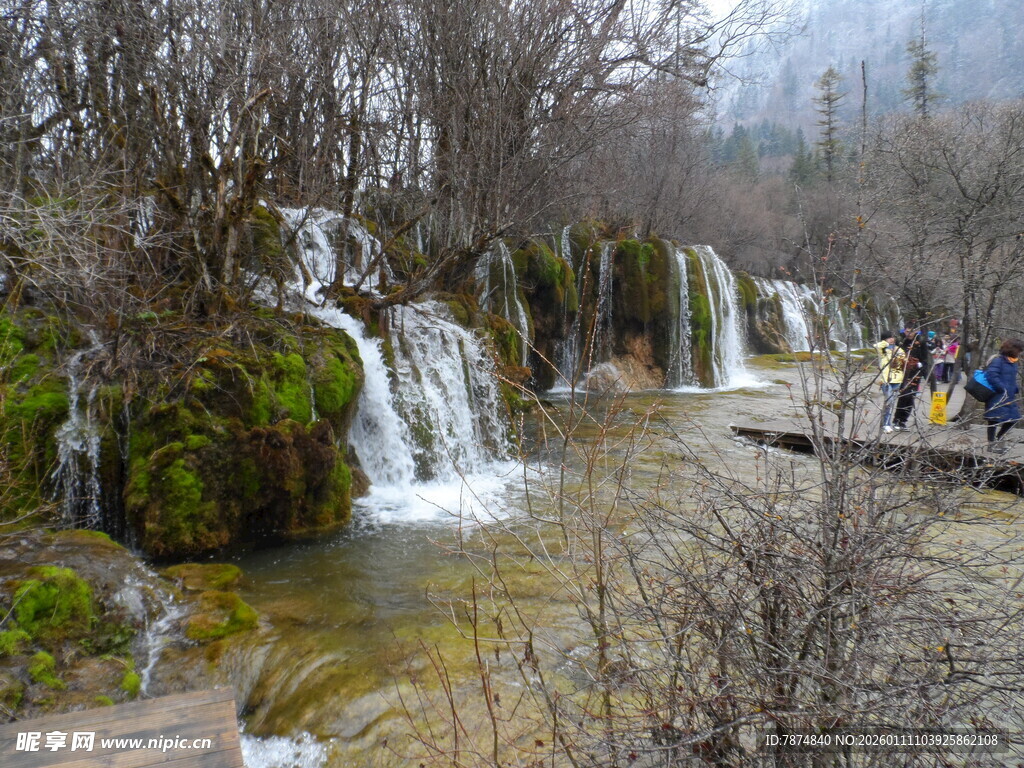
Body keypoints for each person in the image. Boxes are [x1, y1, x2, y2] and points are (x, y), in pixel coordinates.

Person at [982, 338, 1023, 454]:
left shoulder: (1013, 362)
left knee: (1013, 418)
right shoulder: (998, 360)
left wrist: (1014, 388)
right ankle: (991, 445)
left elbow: (1011, 377)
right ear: (1012, 349)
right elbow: (991, 375)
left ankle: (999, 438)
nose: (1020, 352)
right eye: (1019, 350)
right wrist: (1002, 388)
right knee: (993, 420)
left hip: (1009, 396)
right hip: (997, 395)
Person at [892, 328, 929, 431]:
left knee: (910, 397)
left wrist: (920, 365)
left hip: (915, 373)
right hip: (902, 374)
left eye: (911, 331)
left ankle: (903, 420)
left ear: (916, 331)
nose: (908, 333)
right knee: (903, 396)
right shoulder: (900, 342)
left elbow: (925, 359)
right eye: (907, 331)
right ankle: (897, 420)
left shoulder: (920, 343)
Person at [874, 331, 904, 433]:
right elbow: (877, 346)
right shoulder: (883, 350)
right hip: (886, 379)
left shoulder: (899, 349)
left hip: (897, 379)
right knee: (889, 402)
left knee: (891, 403)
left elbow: (904, 361)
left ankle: (887, 423)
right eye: (889, 337)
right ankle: (886, 424)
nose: (892, 339)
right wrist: (886, 343)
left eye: (892, 337)